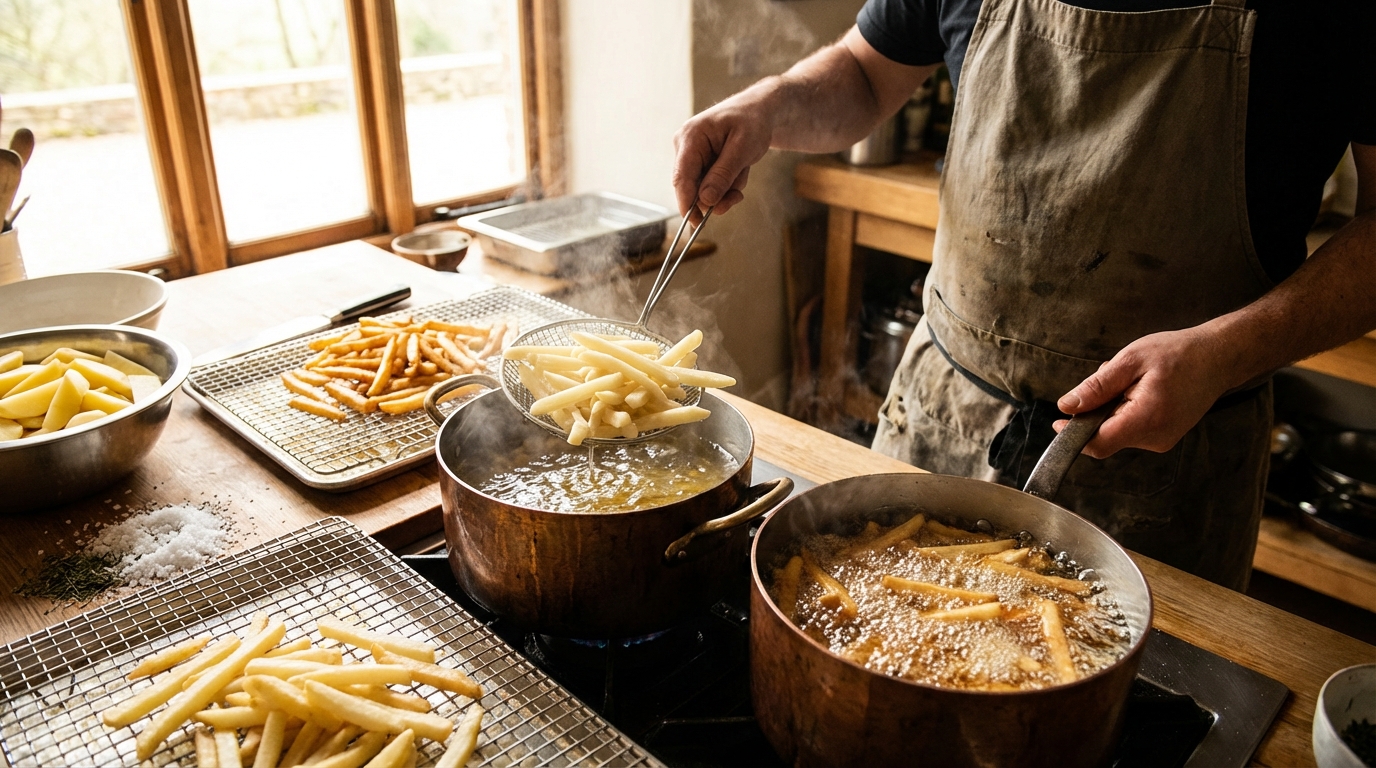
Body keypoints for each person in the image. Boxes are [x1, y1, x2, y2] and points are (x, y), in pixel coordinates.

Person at [671, 0, 1375, 590]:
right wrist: (768, 105)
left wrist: (1224, 352)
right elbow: (862, 72)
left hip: (1167, 469)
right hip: (938, 424)